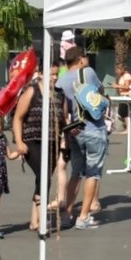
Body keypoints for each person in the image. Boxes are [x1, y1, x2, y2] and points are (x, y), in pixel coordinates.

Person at [56, 45, 108, 229]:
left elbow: (61, 110)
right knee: (93, 173)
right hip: (94, 127)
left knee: (76, 172)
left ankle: (68, 213)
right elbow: (100, 92)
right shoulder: (88, 73)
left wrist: (68, 128)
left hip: (75, 130)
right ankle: (83, 216)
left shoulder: (61, 81)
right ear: (80, 60)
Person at [13, 66, 63, 232]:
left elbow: (63, 119)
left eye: (56, 74)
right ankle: (42, 220)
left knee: (44, 178)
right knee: (44, 178)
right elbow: (18, 118)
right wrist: (19, 142)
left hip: (52, 142)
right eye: (51, 74)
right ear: (40, 74)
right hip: (32, 141)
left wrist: (67, 138)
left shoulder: (59, 94)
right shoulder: (31, 92)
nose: (54, 77)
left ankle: (34, 220)